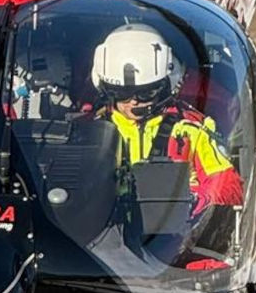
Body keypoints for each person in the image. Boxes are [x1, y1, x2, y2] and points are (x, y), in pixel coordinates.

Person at [92, 23, 243, 214]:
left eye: (145, 93)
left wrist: (193, 199)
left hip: (171, 236)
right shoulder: (91, 128)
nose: (133, 102)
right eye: (121, 93)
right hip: (101, 232)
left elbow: (228, 186)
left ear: (166, 85)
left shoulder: (189, 130)